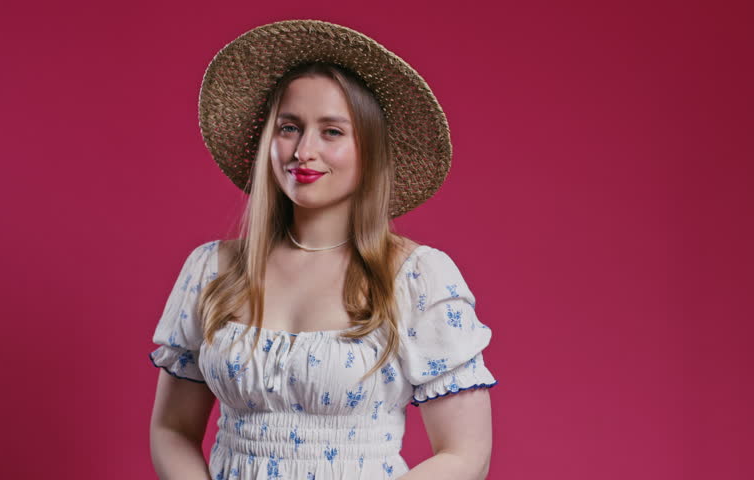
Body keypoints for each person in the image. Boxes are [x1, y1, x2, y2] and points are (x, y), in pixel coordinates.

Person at [148, 19, 499, 480]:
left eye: (332, 131)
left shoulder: (416, 276)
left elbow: (466, 453)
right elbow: (172, 428)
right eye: (289, 127)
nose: (303, 151)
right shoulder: (213, 268)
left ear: (369, 148)